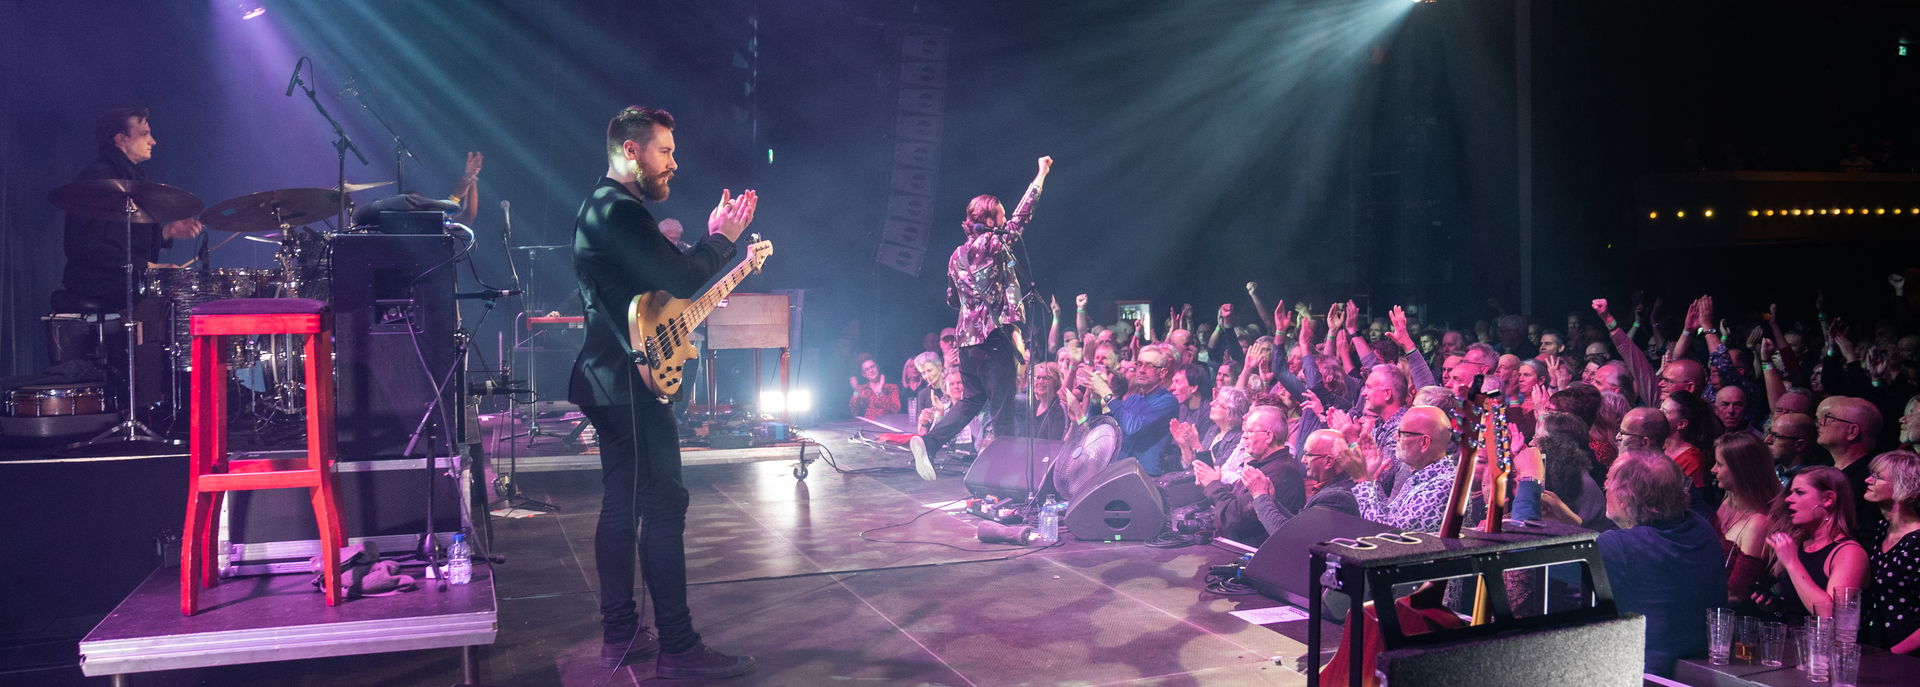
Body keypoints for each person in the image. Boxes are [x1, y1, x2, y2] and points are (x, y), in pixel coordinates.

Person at [569, 105, 757, 678]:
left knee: (621, 506)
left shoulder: (602, 207)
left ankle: (621, 635)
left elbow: (654, 289)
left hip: (609, 376)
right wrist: (722, 238)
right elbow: (679, 278)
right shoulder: (619, 211)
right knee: (664, 505)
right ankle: (679, 649)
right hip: (630, 380)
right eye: (666, 151)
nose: (674, 163)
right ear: (632, 150)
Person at [911, 156, 1054, 481]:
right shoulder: (996, 243)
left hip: (966, 344)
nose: (1005, 219)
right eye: (1000, 215)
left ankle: (929, 441)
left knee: (971, 401)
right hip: (993, 340)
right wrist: (1041, 174)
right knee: (1003, 411)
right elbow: (1023, 215)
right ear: (991, 218)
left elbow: (951, 299)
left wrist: (973, 298)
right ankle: (1009, 482)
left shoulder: (956, 255)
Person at [1595, 449, 1726, 677]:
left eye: (1608, 485)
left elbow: (1538, 559)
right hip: (1695, 672)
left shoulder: (1621, 548)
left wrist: (1530, 479)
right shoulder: (1699, 527)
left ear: (1626, 500)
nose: (1604, 487)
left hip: (1645, 676)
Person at [60, 106, 204, 310]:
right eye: (144, 134)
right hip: (99, 285)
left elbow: (125, 241)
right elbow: (85, 247)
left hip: (124, 285)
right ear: (121, 139)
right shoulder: (100, 180)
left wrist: (168, 231)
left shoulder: (132, 178)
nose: (152, 141)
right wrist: (148, 267)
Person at [1749, 466, 1868, 622]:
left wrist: (1792, 562)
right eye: (1790, 492)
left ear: (1828, 499)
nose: (1788, 499)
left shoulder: (1849, 553)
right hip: (1792, 641)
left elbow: (1829, 615)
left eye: (1799, 492)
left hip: (1824, 645)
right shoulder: (1800, 545)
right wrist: (1774, 604)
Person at [1192, 406, 1304, 544]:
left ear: (1269, 436)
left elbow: (1235, 519)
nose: (1243, 436)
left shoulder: (1282, 472)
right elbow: (1239, 501)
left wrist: (1212, 485)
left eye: (1250, 431)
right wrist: (1215, 481)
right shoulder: (1268, 465)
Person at [1345, 405, 1458, 532]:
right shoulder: (1422, 476)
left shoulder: (1443, 486)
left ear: (1424, 442)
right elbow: (1386, 515)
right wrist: (1370, 477)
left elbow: (1387, 533)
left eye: (1401, 433)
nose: (1395, 438)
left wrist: (1362, 479)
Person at [1243, 428, 1361, 535]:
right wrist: (1273, 501)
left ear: (1329, 461)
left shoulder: (1336, 498)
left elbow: (1293, 537)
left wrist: (1260, 496)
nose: (1303, 460)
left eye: (1308, 454)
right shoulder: (1333, 489)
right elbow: (1299, 526)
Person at [1712, 433, 1781, 606]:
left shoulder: (1758, 524)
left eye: (1719, 464)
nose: (1713, 470)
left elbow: (1736, 593)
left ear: (1741, 469)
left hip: (1729, 617)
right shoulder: (1728, 501)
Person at [1862, 450, 1920, 653]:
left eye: (1878, 477)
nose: (1868, 480)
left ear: (1904, 485)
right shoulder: (1881, 529)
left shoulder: (1917, 541)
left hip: (1906, 657)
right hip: (1874, 645)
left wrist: (1894, 653)